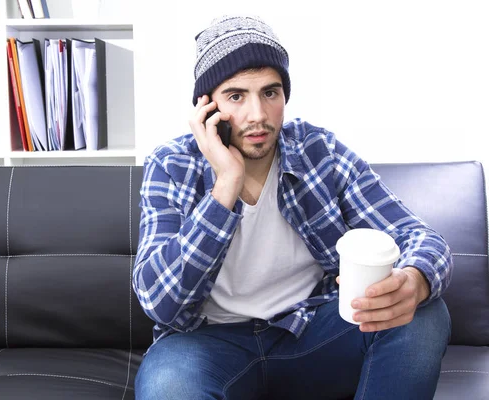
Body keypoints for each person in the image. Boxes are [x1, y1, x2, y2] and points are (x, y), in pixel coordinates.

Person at [132, 14, 452, 400]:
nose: (258, 116)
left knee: (425, 313)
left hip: (311, 332)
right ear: (207, 106)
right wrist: (226, 185)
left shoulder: (321, 152)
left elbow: (418, 235)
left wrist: (415, 280)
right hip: (207, 343)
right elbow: (158, 301)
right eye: (236, 96)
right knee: (169, 387)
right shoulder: (171, 164)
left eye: (270, 93)